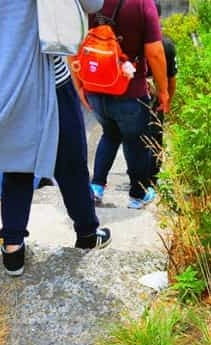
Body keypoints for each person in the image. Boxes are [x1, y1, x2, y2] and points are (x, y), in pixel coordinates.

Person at [0, 0, 110, 277]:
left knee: (16, 162)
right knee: (71, 162)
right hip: (45, 77)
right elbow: (93, 3)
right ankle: (87, 233)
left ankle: (13, 247)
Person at [73, 0, 170, 209]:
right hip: (130, 90)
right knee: (135, 142)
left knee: (109, 134)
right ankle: (138, 195)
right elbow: (155, 52)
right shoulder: (143, 4)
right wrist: (163, 91)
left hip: (96, 87)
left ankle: (96, 188)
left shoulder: (89, 2)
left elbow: (73, 43)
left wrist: (79, 84)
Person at [148, 0, 177, 185]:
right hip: (157, 97)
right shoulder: (166, 45)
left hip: (130, 96)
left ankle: (137, 175)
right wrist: (167, 99)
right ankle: (152, 178)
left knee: (131, 138)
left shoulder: (127, 39)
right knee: (155, 134)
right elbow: (172, 78)